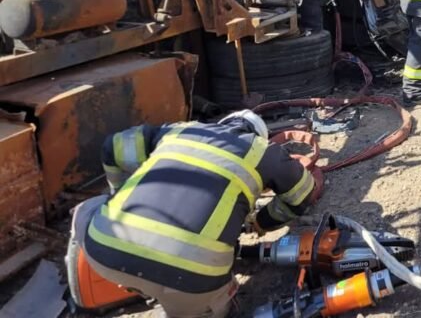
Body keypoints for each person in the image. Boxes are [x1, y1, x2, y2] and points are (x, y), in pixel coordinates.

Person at [67, 110, 315, 318]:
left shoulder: (183, 130)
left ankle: (108, 285)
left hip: (104, 253)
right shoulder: (262, 150)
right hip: (194, 282)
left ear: (224, 124)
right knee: (210, 304)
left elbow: (113, 147)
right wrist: (258, 223)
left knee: (89, 209)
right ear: (256, 135)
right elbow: (303, 193)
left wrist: (120, 194)